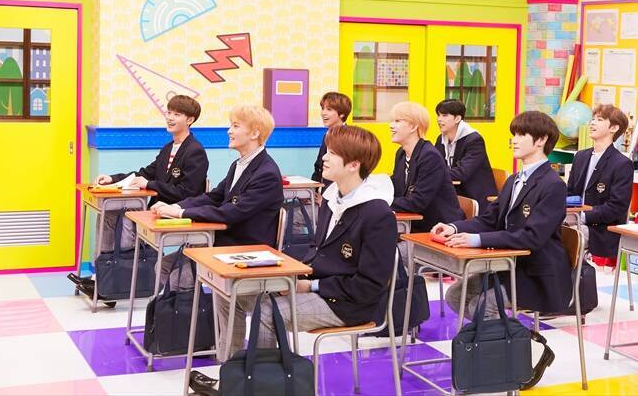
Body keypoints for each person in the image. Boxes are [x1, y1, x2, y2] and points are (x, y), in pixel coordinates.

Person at [189, 125, 397, 386]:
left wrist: (310, 285)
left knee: (268, 312)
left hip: (349, 304)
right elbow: (318, 254)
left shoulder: (377, 214)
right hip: (316, 286)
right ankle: (232, 379)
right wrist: (287, 274)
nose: (324, 157)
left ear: (354, 165)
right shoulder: (332, 200)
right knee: (229, 294)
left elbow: (369, 286)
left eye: (332, 153)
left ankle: (261, 387)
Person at [432, 111, 572, 319]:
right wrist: (454, 227)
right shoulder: (514, 179)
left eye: (521, 135)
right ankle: (494, 335)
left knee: (482, 305)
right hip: (508, 265)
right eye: (514, 135)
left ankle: (502, 339)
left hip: (536, 274)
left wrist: (476, 240)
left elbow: (532, 237)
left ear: (541, 140)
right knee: (455, 295)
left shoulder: (553, 185)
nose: (514, 140)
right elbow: (489, 219)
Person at [68, 95, 208, 298]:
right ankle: (103, 278)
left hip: (177, 212)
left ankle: (115, 277)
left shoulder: (195, 151)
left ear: (190, 120)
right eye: (168, 112)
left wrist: (150, 185)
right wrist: (113, 178)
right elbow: (145, 173)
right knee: (109, 213)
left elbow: (187, 192)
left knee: (127, 215)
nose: (170, 117)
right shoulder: (168, 148)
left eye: (177, 114)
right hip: (158, 209)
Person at [153, 105, 283, 292]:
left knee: (178, 277)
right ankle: (183, 308)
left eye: (235, 126)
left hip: (243, 248)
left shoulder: (266, 173)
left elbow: (230, 213)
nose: (229, 131)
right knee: (164, 265)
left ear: (254, 134)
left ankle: (193, 308)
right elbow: (214, 197)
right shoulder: (238, 164)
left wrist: (182, 213)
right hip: (223, 241)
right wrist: (175, 206)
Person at [566, 104, 633, 268]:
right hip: (572, 219)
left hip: (600, 230)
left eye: (600, 119)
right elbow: (569, 193)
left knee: (555, 236)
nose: (592, 123)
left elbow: (616, 208)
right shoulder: (580, 156)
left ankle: (571, 279)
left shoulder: (622, 164)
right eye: (593, 119)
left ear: (614, 128)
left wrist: (581, 216)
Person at [390, 101, 464, 233]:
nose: (391, 126)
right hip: (416, 225)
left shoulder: (429, 156)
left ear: (413, 127)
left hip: (439, 228)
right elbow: (396, 187)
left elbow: (417, 202)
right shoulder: (401, 154)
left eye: (397, 121)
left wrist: (384, 200)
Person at [434, 99, 497, 211]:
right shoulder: (441, 138)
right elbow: (434, 165)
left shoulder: (474, 140)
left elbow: (462, 173)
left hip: (473, 196)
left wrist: (433, 174)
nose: (439, 119)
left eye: (444, 115)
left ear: (457, 118)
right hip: (454, 192)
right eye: (438, 115)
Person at [311, 92, 351, 188]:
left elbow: (347, 172)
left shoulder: (349, 138)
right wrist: (313, 190)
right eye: (322, 108)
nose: (323, 113)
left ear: (342, 114)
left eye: (329, 109)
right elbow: (318, 167)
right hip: (324, 192)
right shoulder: (327, 135)